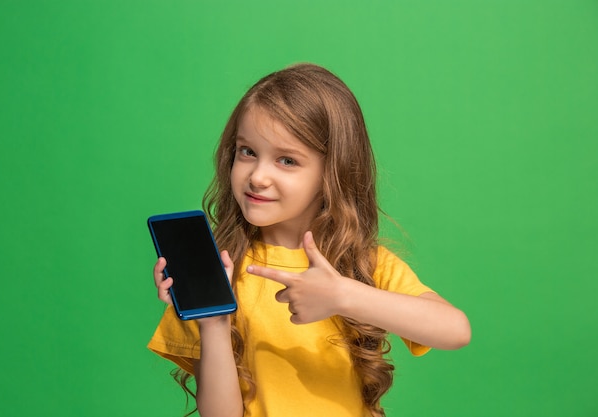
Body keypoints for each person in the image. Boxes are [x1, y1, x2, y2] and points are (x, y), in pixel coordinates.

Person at [148, 63, 471, 417]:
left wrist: (343, 295)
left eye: (287, 160)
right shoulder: (220, 271)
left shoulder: (362, 264)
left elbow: (455, 330)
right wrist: (215, 323)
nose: (257, 177)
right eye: (247, 152)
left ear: (332, 173)